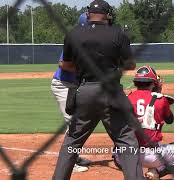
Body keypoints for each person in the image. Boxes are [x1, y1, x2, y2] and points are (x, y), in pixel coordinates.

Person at [52, 0, 144, 179]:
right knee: (126, 139)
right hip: (111, 92)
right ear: (108, 14)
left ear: (88, 14)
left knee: (72, 141)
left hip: (85, 91)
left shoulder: (74, 34)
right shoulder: (118, 33)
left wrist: (84, 66)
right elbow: (131, 64)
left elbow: (66, 64)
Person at [113, 66, 174, 180]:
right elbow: (170, 120)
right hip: (152, 156)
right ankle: (156, 172)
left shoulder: (127, 98)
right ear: (153, 84)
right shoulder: (160, 99)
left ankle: (134, 174)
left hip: (126, 155)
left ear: (136, 83)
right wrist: (159, 95)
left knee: (116, 150)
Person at [50, 13, 92, 173]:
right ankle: (70, 163)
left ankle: (75, 156)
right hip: (63, 85)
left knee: (81, 122)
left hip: (74, 86)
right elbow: (62, 63)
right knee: (73, 123)